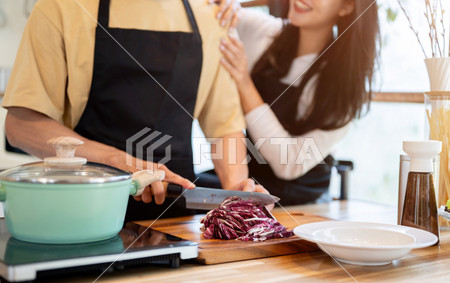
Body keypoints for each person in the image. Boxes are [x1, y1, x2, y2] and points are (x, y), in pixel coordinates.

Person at [2, 0, 265, 220]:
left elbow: (225, 129)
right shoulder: (62, 6)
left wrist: (235, 191)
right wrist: (119, 162)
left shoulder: (211, 15)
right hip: (82, 216)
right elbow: (20, 125)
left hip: (175, 226)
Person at [219, 0, 380, 205]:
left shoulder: (344, 88)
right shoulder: (265, 32)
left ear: (347, 7)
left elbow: (288, 164)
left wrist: (244, 83)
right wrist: (228, 5)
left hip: (298, 197)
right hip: (249, 175)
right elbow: (213, 12)